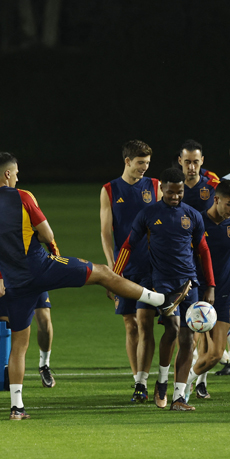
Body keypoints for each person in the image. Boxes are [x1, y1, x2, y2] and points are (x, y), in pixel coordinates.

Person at [0, 154, 188, 419]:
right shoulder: (23, 196)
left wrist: (0, 244)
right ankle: (161, 301)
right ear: (7, 174)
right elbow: (47, 234)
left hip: (16, 282)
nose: (17, 177)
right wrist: (46, 248)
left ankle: (17, 408)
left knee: (19, 344)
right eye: (15, 173)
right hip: (42, 266)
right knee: (103, 273)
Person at [114, 166, 215, 411]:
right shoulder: (149, 214)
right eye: (171, 192)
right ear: (162, 189)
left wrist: (210, 285)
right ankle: (161, 380)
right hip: (161, 283)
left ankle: (179, 397)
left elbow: (203, 250)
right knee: (171, 330)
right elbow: (128, 246)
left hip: (188, 282)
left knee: (188, 336)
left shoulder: (192, 215)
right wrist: (114, 278)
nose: (175, 197)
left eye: (179, 193)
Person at [99, 140, 161, 399]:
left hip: (151, 266)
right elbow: (105, 232)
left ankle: (146, 380)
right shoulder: (110, 190)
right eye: (139, 163)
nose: (144, 168)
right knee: (129, 324)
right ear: (127, 161)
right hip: (125, 268)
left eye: (147, 163)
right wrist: (114, 270)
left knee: (146, 322)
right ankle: (140, 383)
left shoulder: (154, 186)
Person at [184, 180, 230, 400]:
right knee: (192, 343)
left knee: (215, 354)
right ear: (216, 200)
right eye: (229, 204)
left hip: (223, 292)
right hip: (197, 291)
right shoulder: (197, 222)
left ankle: (184, 386)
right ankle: (178, 386)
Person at [179, 139, 221, 214]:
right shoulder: (173, 187)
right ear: (180, 160)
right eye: (187, 162)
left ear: (202, 160)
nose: (191, 167)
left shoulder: (213, 186)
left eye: (195, 162)